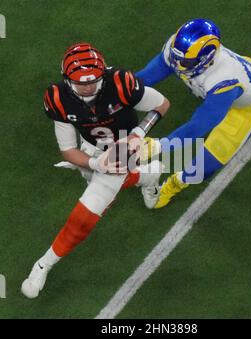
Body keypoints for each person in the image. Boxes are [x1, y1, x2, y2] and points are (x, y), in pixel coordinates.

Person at [21, 42, 170, 298]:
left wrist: (137, 134)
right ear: (67, 79)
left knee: (85, 215)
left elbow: (162, 104)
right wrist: (94, 163)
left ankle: (43, 263)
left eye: (93, 81)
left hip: (125, 148)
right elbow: (68, 151)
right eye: (80, 82)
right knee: (95, 179)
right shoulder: (58, 98)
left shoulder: (121, 82)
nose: (88, 87)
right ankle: (148, 176)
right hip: (90, 149)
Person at [136, 18, 251, 208]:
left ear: (206, 58)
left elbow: (199, 126)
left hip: (247, 107)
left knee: (207, 164)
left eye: (185, 61)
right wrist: (120, 88)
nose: (177, 63)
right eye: (176, 56)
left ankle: (174, 184)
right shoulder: (180, 48)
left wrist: (158, 146)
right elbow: (145, 78)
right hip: (243, 82)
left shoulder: (224, 81)